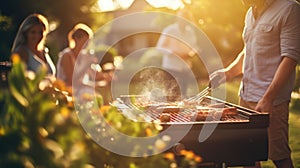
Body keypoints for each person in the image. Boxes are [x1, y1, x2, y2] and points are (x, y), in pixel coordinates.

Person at [210, 0, 300, 167]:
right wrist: (228, 72)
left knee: (278, 155)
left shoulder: (289, 9)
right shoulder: (251, 13)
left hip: (270, 101)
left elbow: (290, 58)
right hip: (245, 95)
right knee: (247, 154)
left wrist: (268, 98)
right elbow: (248, 49)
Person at [156, 9, 199, 99]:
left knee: (182, 95)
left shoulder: (190, 32)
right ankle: (168, 112)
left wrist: (192, 53)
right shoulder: (169, 30)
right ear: (178, 18)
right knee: (170, 95)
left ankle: (180, 112)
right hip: (171, 68)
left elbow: (194, 47)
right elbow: (159, 47)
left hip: (186, 68)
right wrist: (174, 53)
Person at [56, 23, 112, 87]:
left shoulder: (84, 55)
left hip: (81, 91)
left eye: (89, 41)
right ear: (76, 39)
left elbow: (96, 75)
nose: (88, 43)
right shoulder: (66, 55)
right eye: (86, 41)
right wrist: (87, 65)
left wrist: (107, 76)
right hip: (67, 92)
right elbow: (71, 81)